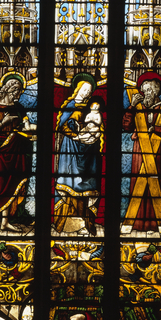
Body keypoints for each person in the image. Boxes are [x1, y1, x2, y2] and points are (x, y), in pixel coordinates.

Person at [122, 72, 161, 234]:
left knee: (159, 183)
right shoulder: (137, 108)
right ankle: (137, 224)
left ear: (158, 91)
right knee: (139, 184)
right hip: (140, 151)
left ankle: (159, 224)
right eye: (144, 90)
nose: (147, 94)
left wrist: (156, 129)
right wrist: (131, 106)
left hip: (160, 154)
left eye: (150, 90)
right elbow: (127, 127)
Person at [0, 74, 35, 235]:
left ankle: (5, 222)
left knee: (11, 185)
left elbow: (26, 125)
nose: (18, 95)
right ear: (9, 90)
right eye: (17, 91)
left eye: (20, 92)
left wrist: (31, 129)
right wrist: (4, 123)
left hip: (15, 150)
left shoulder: (19, 108)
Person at [53, 75, 103, 235]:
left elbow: (96, 125)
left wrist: (91, 134)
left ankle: (85, 223)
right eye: (84, 89)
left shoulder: (89, 107)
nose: (86, 93)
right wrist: (76, 136)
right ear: (77, 89)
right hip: (70, 150)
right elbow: (63, 127)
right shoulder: (70, 106)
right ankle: (66, 224)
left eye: (89, 91)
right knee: (70, 184)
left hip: (87, 151)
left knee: (85, 186)